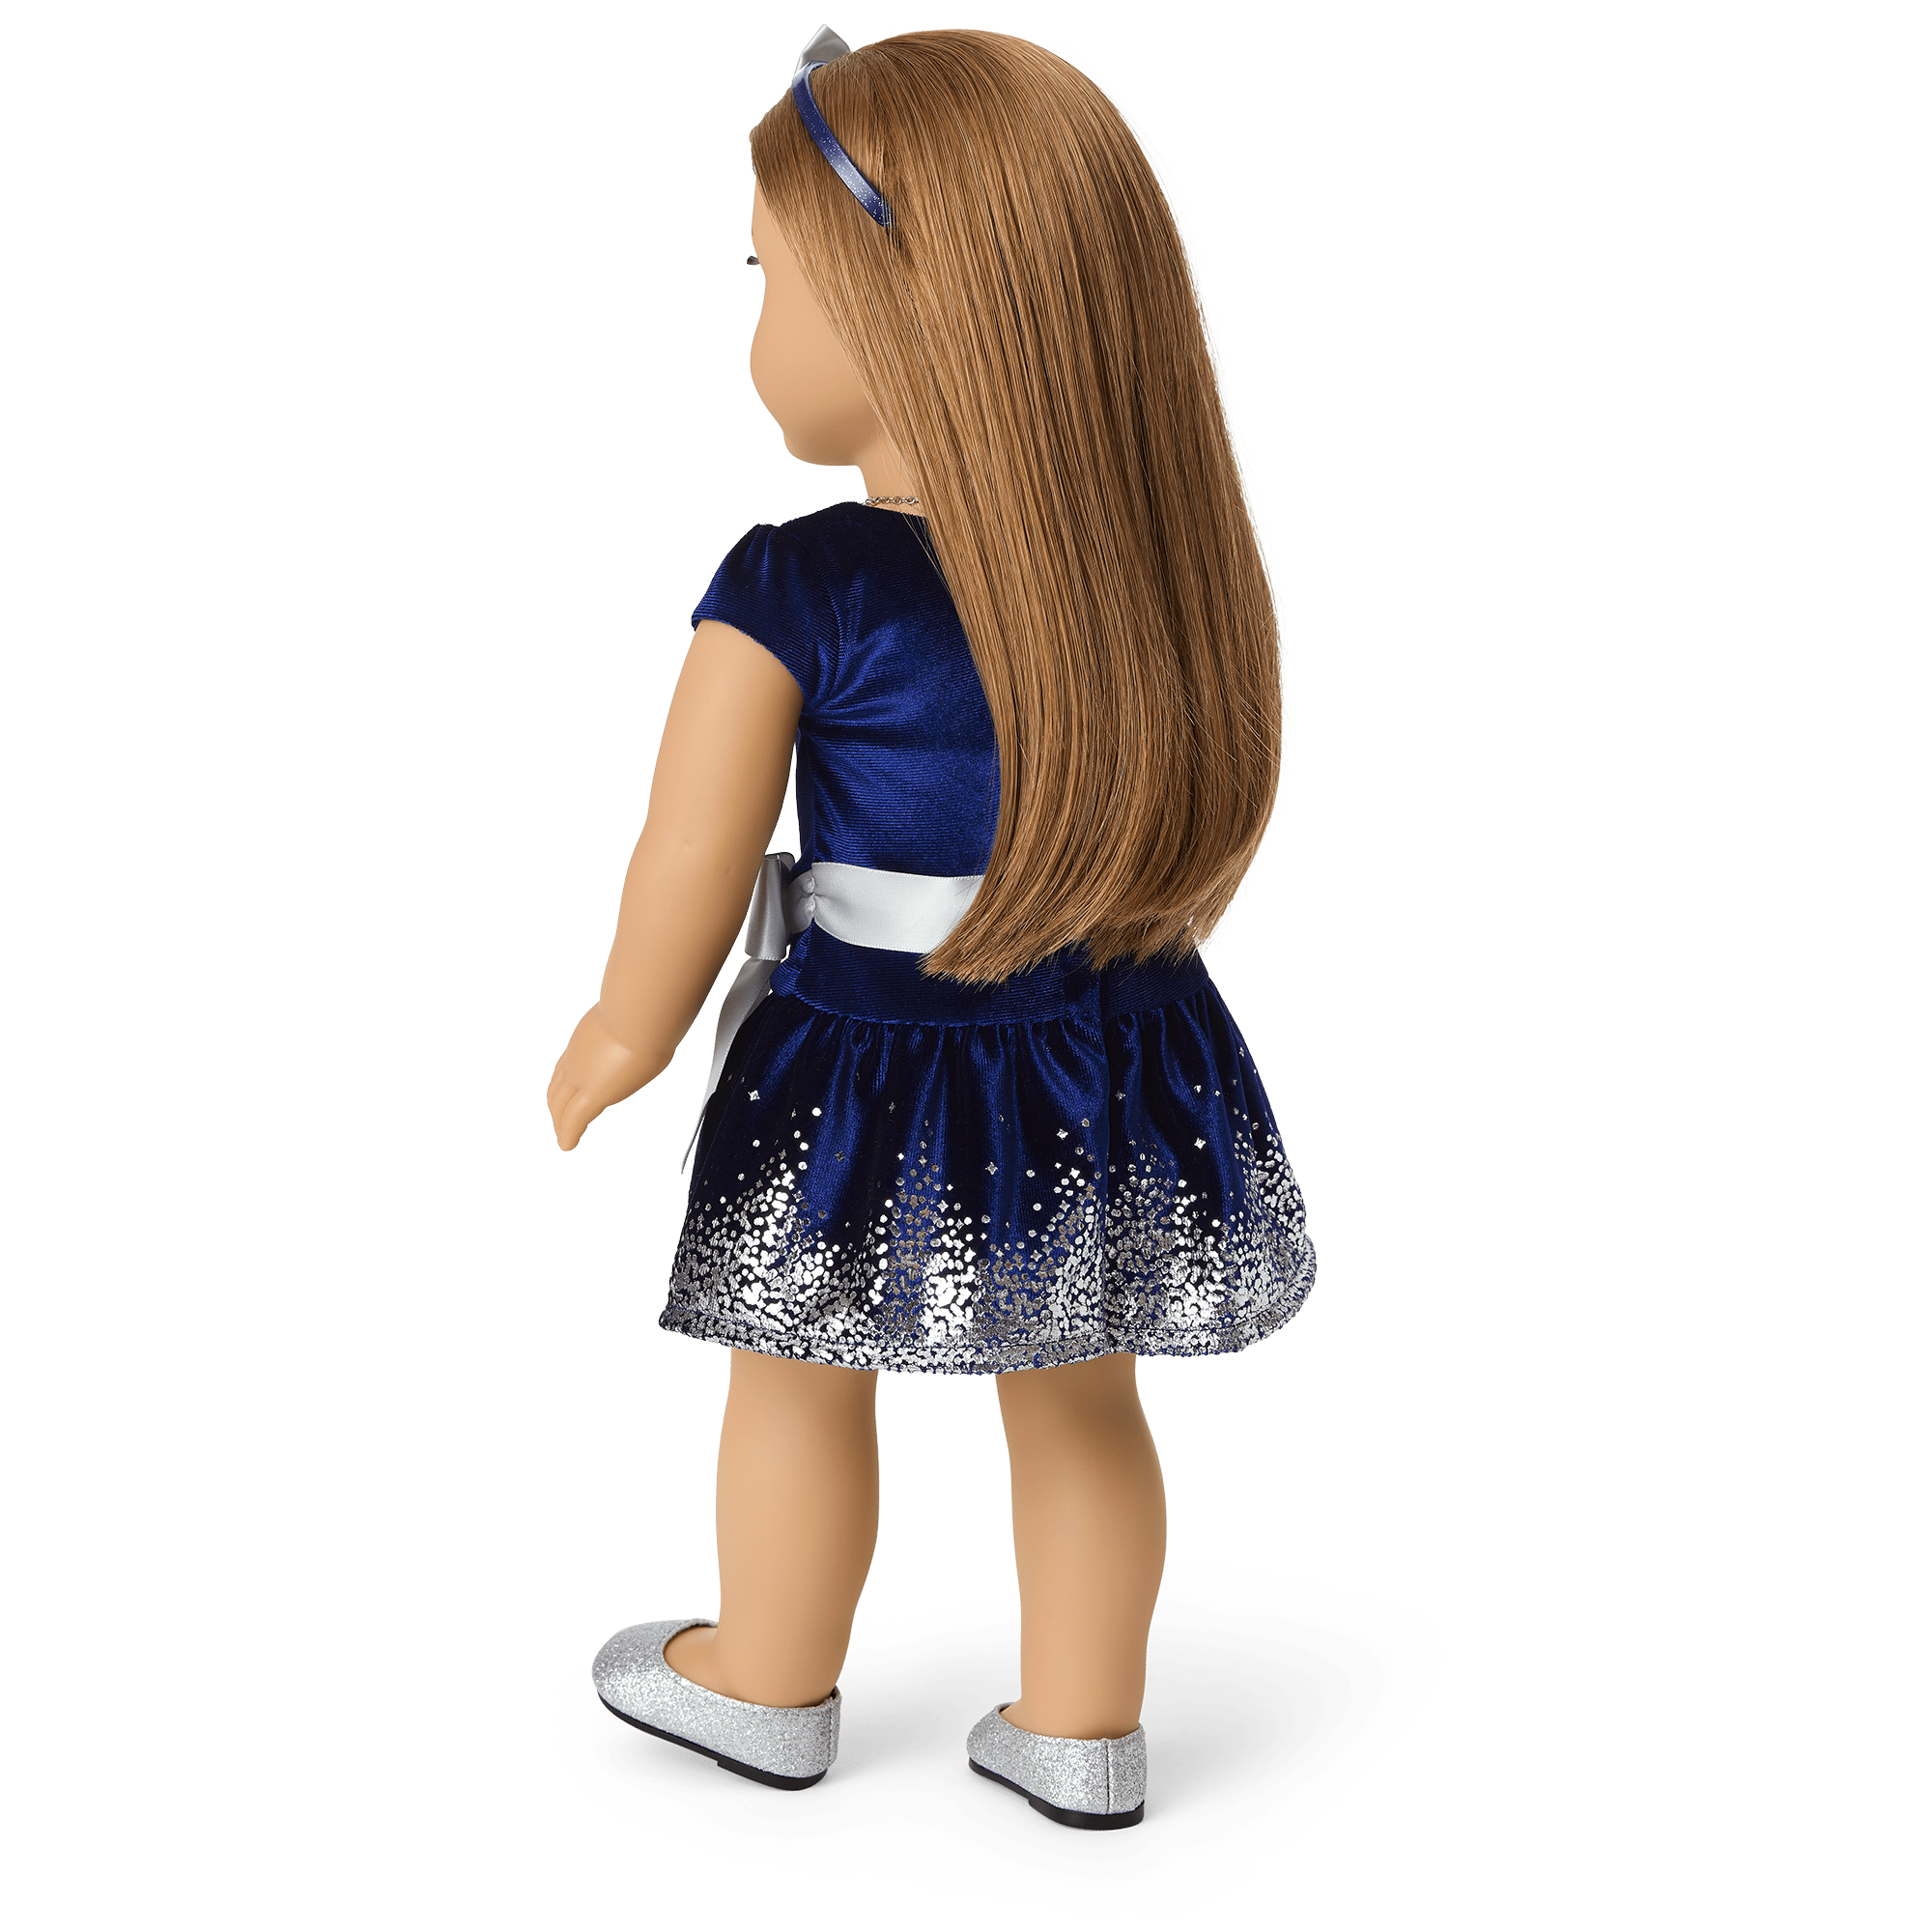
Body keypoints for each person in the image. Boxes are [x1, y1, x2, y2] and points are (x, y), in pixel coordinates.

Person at [546, 23, 1317, 1831]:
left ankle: (770, 1680)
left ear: (902, 316)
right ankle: (1083, 1728)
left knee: (798, 1372)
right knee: (1078, 1387)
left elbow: (688, 854)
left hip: (869, 1056)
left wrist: (628, 1025)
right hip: (1101, 1040)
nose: (756, 331)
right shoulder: (1158, 581)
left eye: (773, 285)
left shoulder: (800, 585)